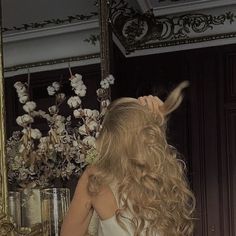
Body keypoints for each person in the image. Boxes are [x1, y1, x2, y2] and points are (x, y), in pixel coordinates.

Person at [60, 81, 196, 236]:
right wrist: (157, 123)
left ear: (108, 137)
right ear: (149, 136)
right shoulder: (164, 179)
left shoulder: (95, 178)